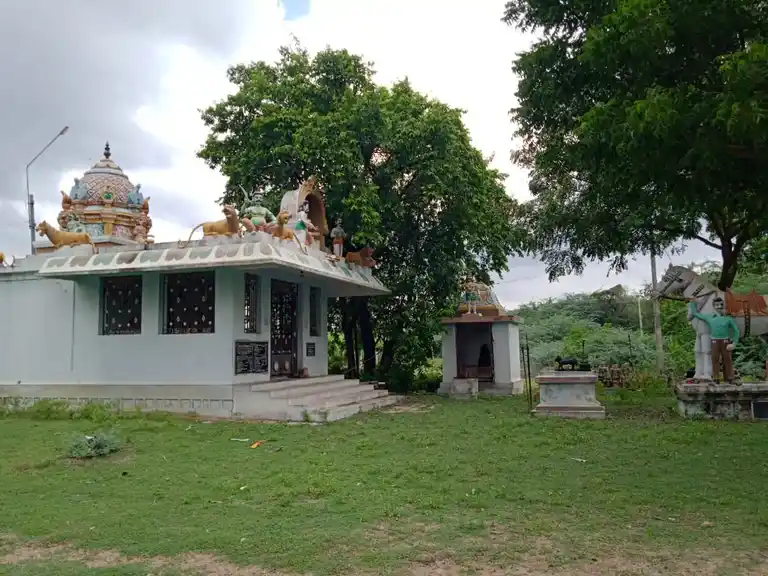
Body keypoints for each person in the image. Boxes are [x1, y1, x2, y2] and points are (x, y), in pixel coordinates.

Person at [688, 297, 740, 383]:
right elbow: (695, 313)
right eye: (716, 305)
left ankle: (730, 378)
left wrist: (734, 343)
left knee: (727, 359)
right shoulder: (710, 317)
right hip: (714, 342)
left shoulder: (728, 319)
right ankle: (716, 378)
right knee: (714, 359)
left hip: (725, 342)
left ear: (724, 306)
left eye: (721, 305)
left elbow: (736, 331)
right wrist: (693, 303)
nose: (719, 306)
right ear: (713, 306)